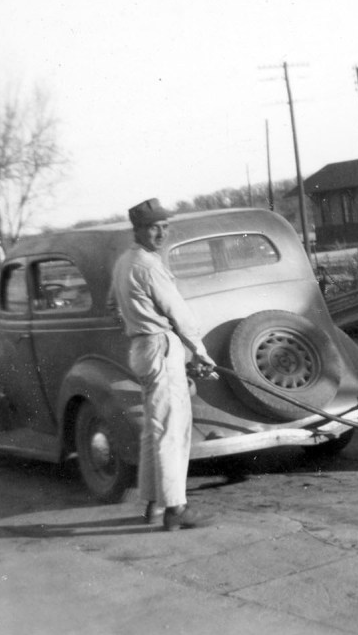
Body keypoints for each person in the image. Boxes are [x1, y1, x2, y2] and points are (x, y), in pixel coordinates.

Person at [110, 198, 216, 531]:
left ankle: (154, 503)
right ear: (138, 230)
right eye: (153, 227)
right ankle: (176, 509)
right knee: (171, 430)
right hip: (158, 346)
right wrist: (200, 352)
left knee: (155, 431)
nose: (161, 232)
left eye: (165, 226)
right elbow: (178, 314)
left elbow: (113, 307)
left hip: (142, 348)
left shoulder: (124, 263)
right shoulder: (149, 266)